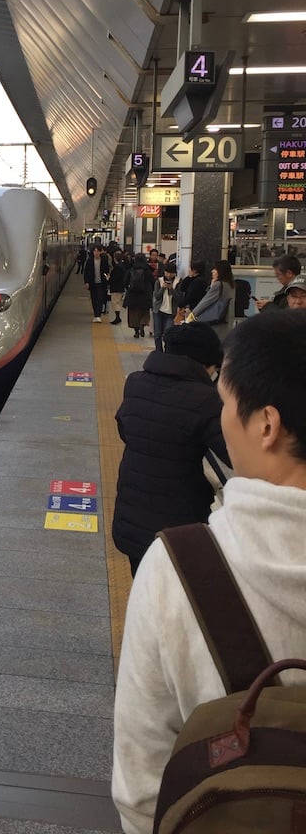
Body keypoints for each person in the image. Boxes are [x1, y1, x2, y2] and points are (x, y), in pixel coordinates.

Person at [112, 310, 306, 834]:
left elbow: (141, 790)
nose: (221, 415)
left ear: (266, 425)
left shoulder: (177, 572)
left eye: (226, 403)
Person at [112, 322, 229, 577]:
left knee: (143, 588)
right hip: (178, 526)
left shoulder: (135, 382)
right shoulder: (205, 399)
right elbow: (233, 454)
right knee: (175, 599)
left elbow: (126, 430)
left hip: (131, 515)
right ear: (207, 364)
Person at [187, 259, 234, 325]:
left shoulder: (218, 285)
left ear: (220, 271)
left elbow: (206, 301)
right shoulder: (230, 285)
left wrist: (192, 315)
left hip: (214, 323)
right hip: (226, 321)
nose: (212, 271)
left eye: (215, 269)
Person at [150, 259, 177, 351]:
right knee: (157, 333)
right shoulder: (159, 281)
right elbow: (156, 296)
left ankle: (167, 351)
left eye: (171, 273)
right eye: (167, 273)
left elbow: (179, 298)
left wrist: (172, 289)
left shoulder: (178, 282)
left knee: (167, 332)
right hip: (158, 311)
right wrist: (163, 288)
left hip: (171, 312)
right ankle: (159, 351)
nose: (169, 275)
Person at [124, 253, 152, 338]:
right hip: (145, 295)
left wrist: (129, 288)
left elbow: (125, 282)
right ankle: (142, 326)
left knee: (133, 315)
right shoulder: (147, 270)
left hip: (133, 296)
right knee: (144, 313)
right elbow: (152, 281)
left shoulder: (131, 269)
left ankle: (136, 331)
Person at [82, 244, 110, 322]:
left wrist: (106, 278)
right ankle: (95, 314)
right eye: (95, 251)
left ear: (101, 252)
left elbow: (106, 271)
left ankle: (98, 316)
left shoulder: (104, 260)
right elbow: (86, 272)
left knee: (100, 298)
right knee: (94, 299)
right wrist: (86, 282)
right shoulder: (90, 261)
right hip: (92, 283)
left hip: (101, 283)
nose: (96, 252)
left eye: (98, 251)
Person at [108, 251, 126, 325]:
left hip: (116, 287)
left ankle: (118, 318)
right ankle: (117, 318)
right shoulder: (122, 266)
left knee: (116, 303)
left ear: (115, 258)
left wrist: (109, 278)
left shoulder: (118, 268)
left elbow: (114, 278)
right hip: (120, 287)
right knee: (117, 302)